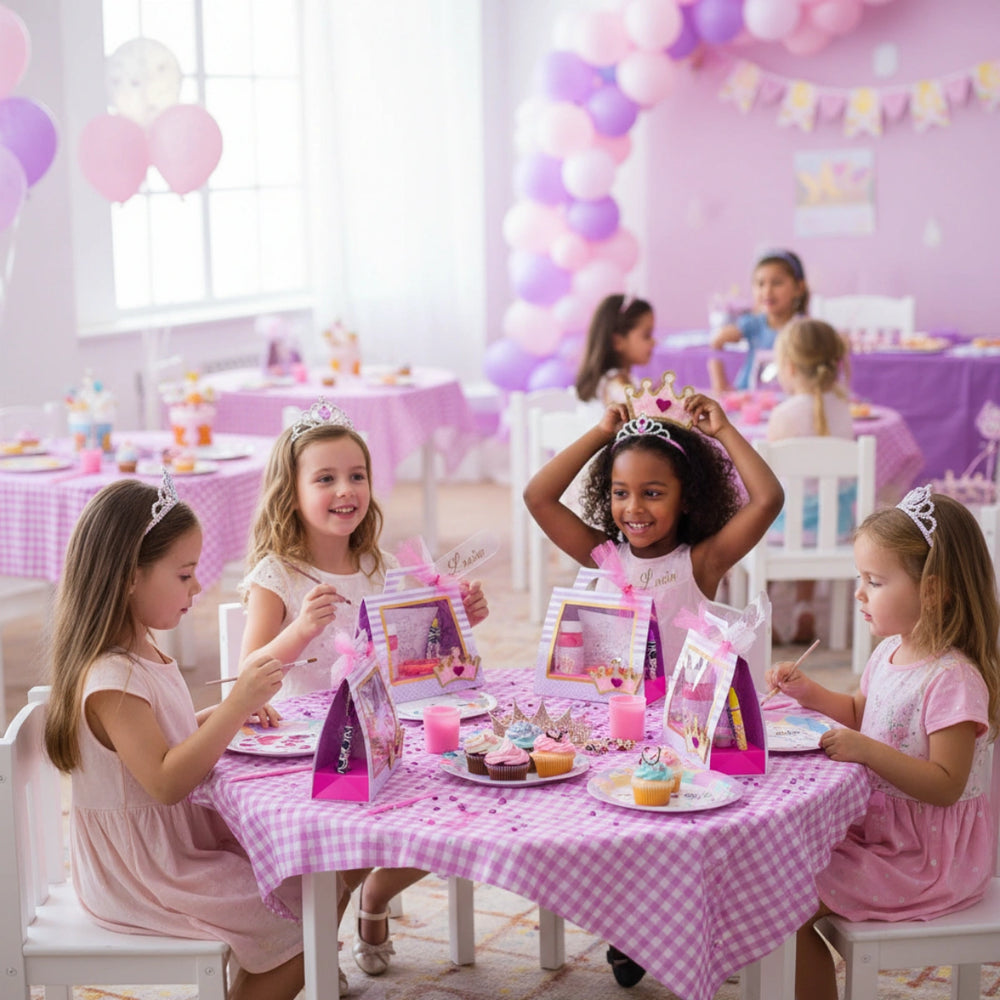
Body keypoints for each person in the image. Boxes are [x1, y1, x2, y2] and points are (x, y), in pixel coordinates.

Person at [523, 389, 784, 987]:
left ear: (686, 496)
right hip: (611, 722)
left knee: (673, 829)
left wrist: (724, 433)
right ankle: (628, 927)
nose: (632, 508)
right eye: (619, 492)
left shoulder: (702, 560)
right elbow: (538, 496)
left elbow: (768, 498)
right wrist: (599, 434)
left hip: (684, 728)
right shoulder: (603, 554)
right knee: (612, 823)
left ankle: (666, 930)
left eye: (652, 492)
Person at [42, 475, 331, 1000]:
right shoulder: (113, 679)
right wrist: (237, 704)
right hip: (145, 875)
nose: (197, 587)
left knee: (309, 886)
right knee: (304, 926)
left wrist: (220, 715)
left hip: (171, 852)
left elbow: (159, 742)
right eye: (185, 573)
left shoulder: (140, 654)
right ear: (130, 577)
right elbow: (166, 781)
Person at [239, 397, 489, 979]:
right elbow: (250, 670)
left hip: (383, 728)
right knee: (341, 853)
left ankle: (373, 895)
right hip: (306, 745)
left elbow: (420, 658)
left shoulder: (378, 569)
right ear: (291, 492)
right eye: (325, 478)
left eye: (356, 475)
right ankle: (318, 947)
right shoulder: (277, 574)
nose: (345, 489)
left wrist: (457, 619)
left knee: (456, 805)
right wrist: (301, 627)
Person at [765, 487, 1000, 1000]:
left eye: (874, 581)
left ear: (933, 591)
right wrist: (810, 691)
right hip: (881, 836)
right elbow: (860, 712)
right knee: (771, 868)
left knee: (784, 902)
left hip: (927, 859)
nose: (858, 594)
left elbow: (945, 784)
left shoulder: (953, 680)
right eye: (859, 579)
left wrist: (867, 750)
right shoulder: (892, 650)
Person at [766, 316, 852, 644]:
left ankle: (767, 613)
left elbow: (769, 480)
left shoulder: (783, 414)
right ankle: (805, 608)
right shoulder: (843, 409)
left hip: (783, 532)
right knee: (814, 516)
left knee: (773, 511)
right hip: (834, 528)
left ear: (788, 367)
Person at [708, 248, 809, 393]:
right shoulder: (752, 324)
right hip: (747, 398)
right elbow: (716, 342)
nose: (767, 291)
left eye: (777, 283)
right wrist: (720, 386)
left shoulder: (803, 329)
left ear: (799, 287)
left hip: (785, 401)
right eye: (760, 284)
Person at [575, 293, 656, 406]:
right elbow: (633, 404)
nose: (654, 342)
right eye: (647, 335)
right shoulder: (616, 381)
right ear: (618, 342)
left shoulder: (623, 379)